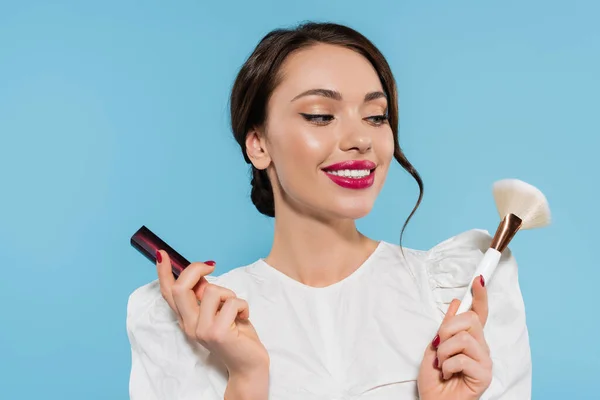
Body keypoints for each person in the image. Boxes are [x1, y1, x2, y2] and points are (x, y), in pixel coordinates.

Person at [126, 22, 531, 400]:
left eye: (376, 117)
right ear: (258, 145)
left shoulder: (461, 295)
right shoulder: (190, 325)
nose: (360, 139)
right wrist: (246, 378)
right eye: (320, 115)